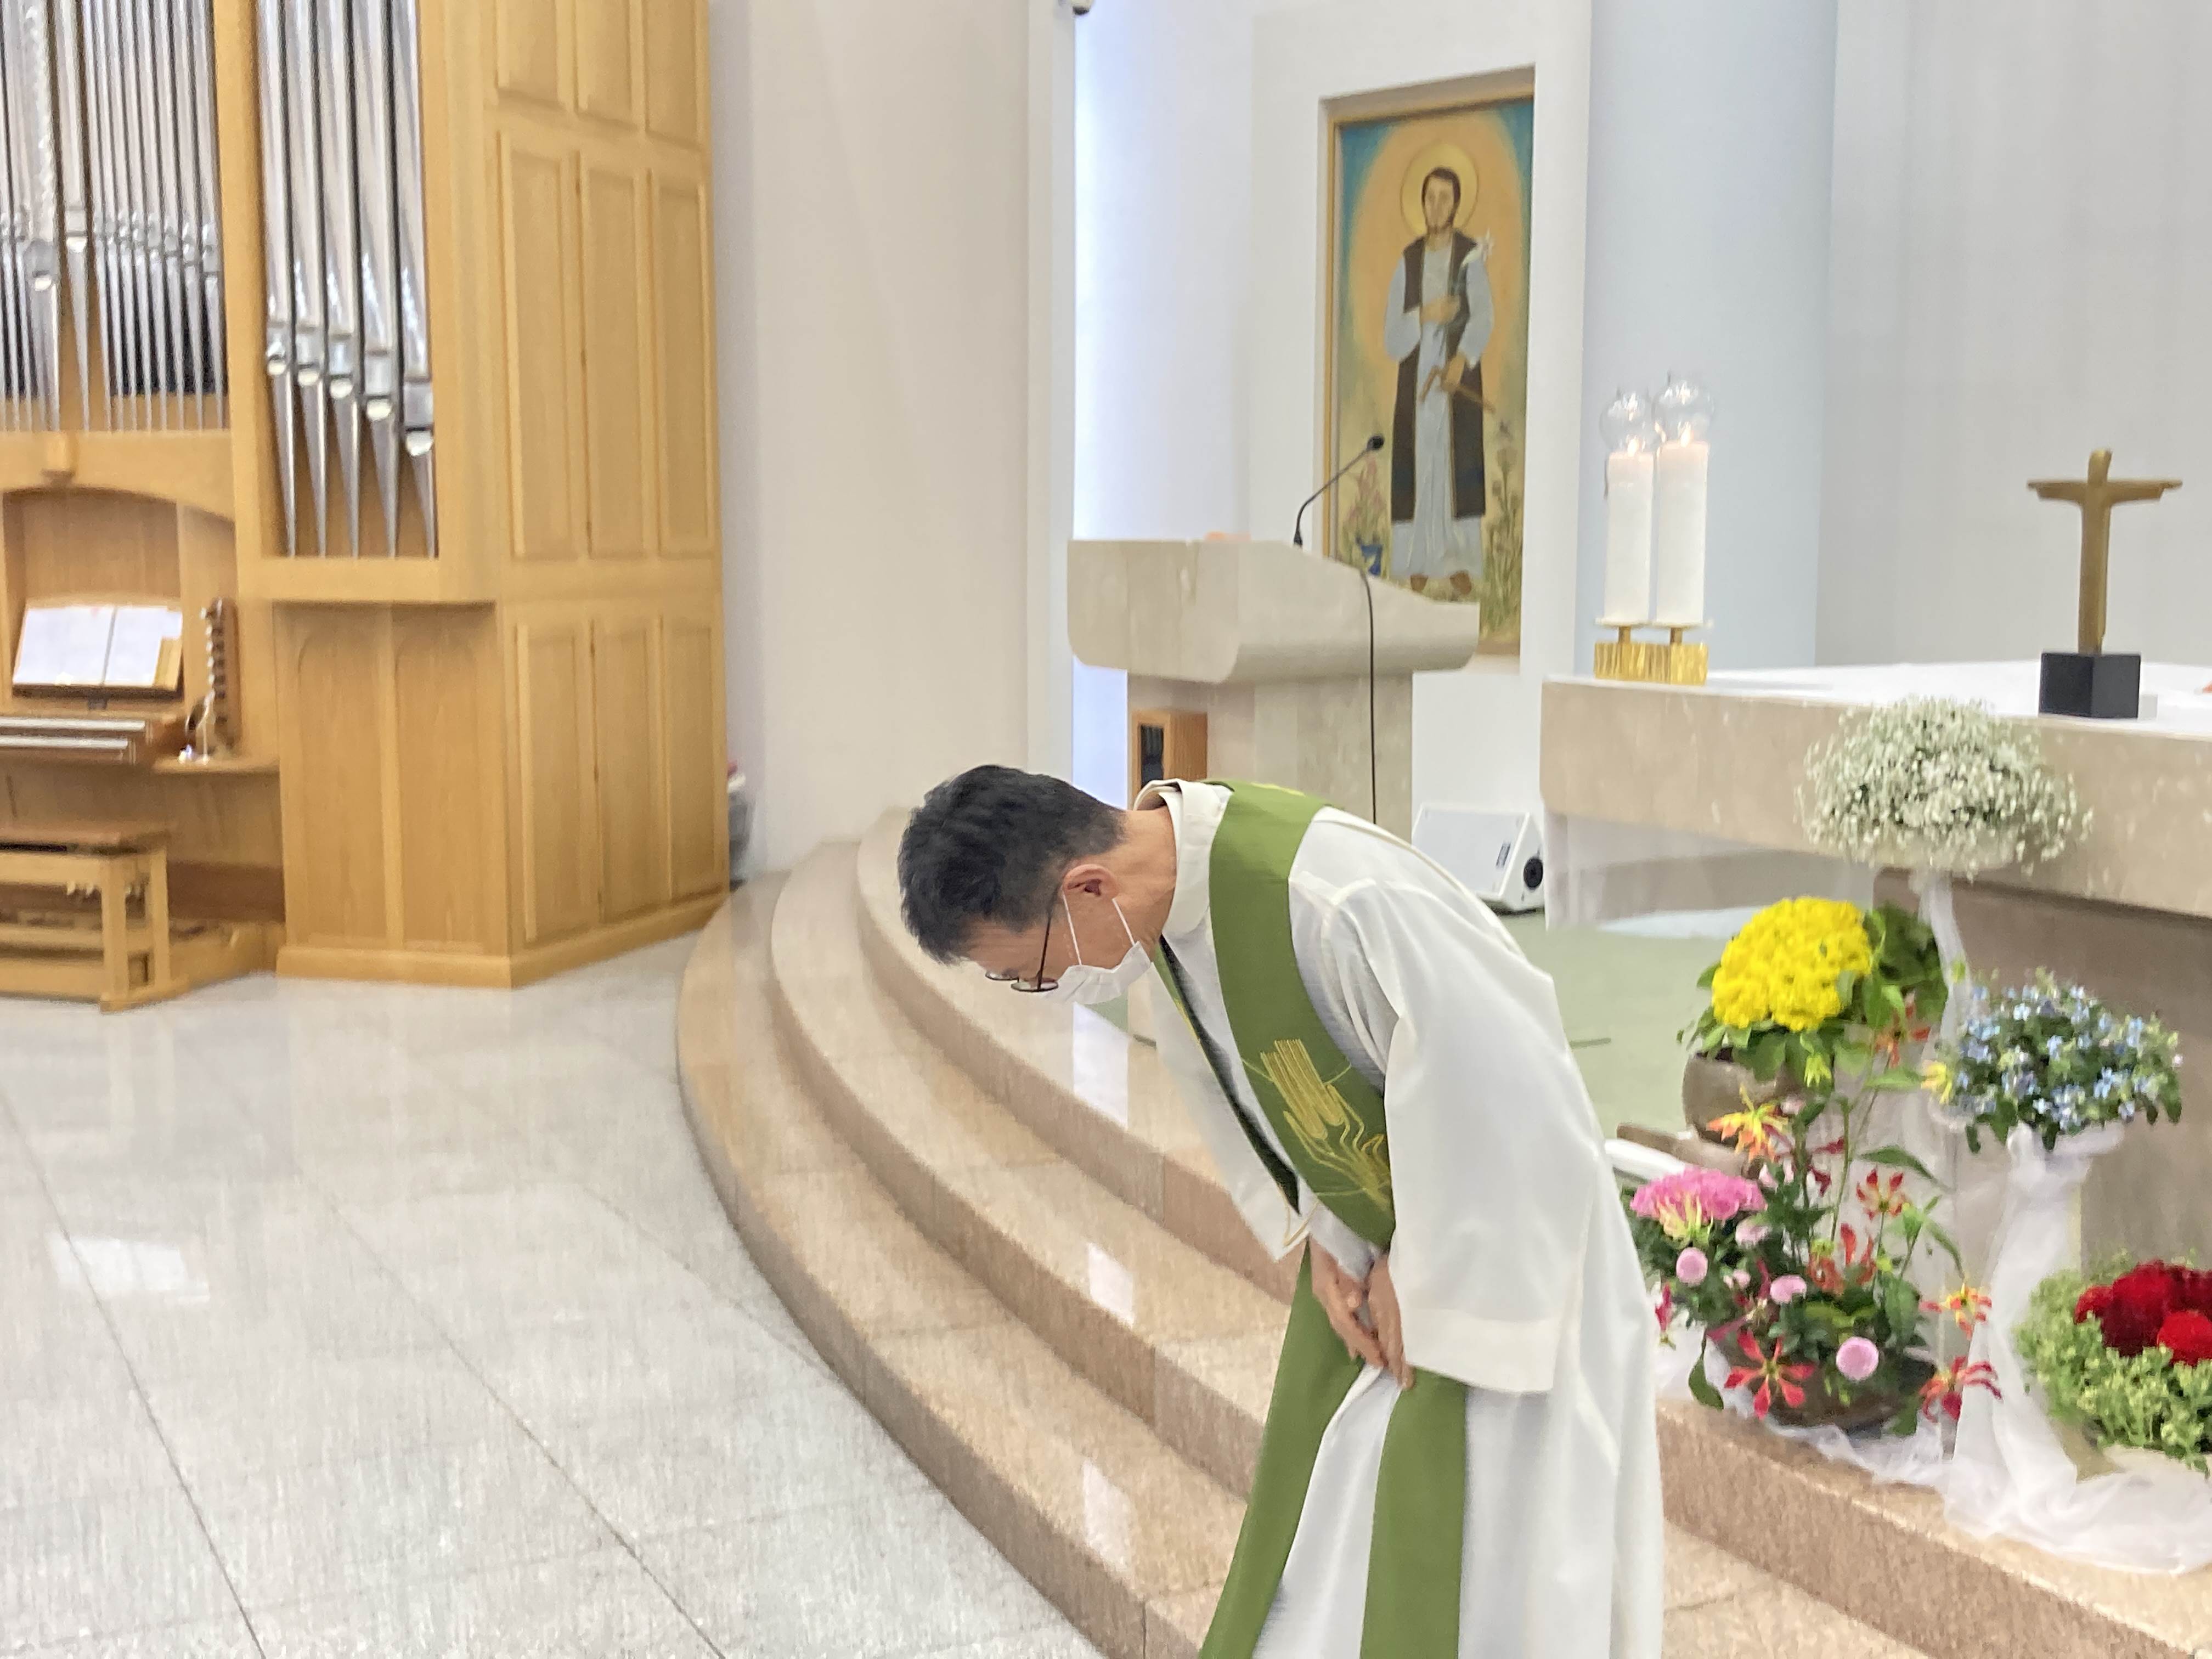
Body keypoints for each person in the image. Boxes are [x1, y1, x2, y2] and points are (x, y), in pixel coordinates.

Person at [897, 766, 1663, 1658]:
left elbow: (1506, 1081)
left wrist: (1424, 1266)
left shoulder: (1330, 897)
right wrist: (1327, 1235)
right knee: (1329, 1554)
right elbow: (1281, 1090)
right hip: (1382, 1251)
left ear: (1088, 888)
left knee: (1501, 1577)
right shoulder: (1168, 914)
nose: (1053, 986)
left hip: (1506, 1267)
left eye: (1032, 972)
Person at [1383, 165, 1492, 600]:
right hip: (1418, 386)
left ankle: (1458, 561)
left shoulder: (1469, 258)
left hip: (1453, 382)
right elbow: (1392, 337)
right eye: (1430, 197)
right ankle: (1417, 561)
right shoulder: (1408, 262)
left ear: (1457, 204)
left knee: (1454, 466)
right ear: (1422, 203)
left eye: (1445, 198)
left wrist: (1461, 360)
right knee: (1420, 464)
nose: (1436, 206)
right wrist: (1426, 314)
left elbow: (1483, 316)